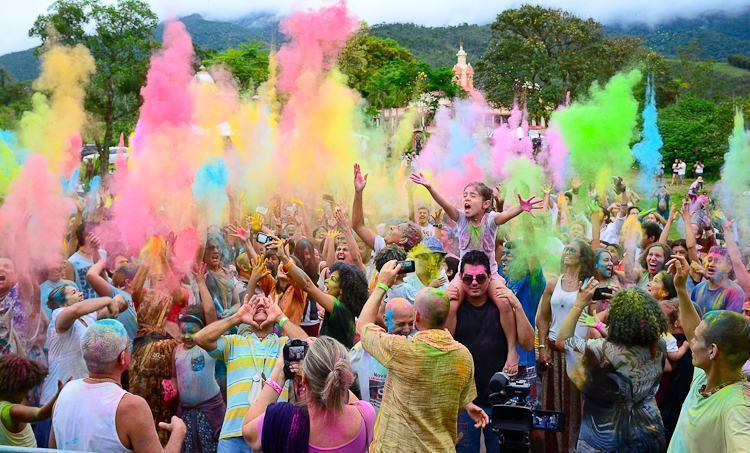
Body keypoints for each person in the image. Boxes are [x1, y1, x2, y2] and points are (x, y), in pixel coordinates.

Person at [410, 173, 542, 374]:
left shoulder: (490, 220)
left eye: (472, 195)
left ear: (486, 204)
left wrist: (520, 208)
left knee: (505, 303)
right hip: (464, 276)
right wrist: (430, 187)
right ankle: (447, 349)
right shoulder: (461, 218)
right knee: (451, 303)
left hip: (490, 275)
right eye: (465, 195)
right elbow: (445, 205)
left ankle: (512, 350)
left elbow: (504, 216)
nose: (466, 199)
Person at [356, 260, 488, 452]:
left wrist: (382, 284)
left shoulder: (402, 350)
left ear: (416, 317)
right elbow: (449, 392)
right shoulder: (463, 356)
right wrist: (468, 405)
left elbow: (363, 325)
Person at [558, 282, 668, 451]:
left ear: (615, 318)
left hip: (604, 440)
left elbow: (563, 341)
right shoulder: (658, 345)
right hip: (648, 435)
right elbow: (629, 344)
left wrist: (579, 304)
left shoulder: (598, 351)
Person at [50, 319, 187, 452]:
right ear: (123, 358)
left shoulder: (64, 394)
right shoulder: (131, 407)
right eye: (129, 347)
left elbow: (51, 450)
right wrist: (178, 432)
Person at [193, 293, 307, 453]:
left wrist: (281, 317)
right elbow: (200, 338)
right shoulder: (234, 341)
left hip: (270, 432)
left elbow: (308, 346)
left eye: (265, 303)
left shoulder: (283, 344)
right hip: (233, 434)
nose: (260, 304)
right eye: (255, 303)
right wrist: (237, 317)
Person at [449, 251, 534, 453]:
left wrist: (517, 306)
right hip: (465, 401)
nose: (474, 283)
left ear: (490, 277)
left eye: (480, 277)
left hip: (499, 400)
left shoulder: (501, 306)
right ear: (461, 279)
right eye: (468, 278)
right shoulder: (454, 307)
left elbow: (529, 344)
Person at [668, 254, 750, 452]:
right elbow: (693, 328)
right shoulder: (705, 375)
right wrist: (680, 289)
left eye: (695, 339)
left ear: (713, 351)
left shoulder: (737, 405)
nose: (691, 341)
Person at [242, 336, 376, 452]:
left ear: (304, 379)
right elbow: (343, 391)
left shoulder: (283, 418)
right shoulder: (366, 415)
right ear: (345, 375)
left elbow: (249, 433)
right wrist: (326, 356)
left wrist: (280, 371)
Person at [37, 284, 127, 447]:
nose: (80, 293)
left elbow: (115, 307)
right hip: (54, 399)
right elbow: (77, 310)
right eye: (73, 292)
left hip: (77, 398)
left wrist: (118, 300)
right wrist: (108, 299)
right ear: (62, 302)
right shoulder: (59, 315)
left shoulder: (87, 317)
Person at [537, 239, 595, 452]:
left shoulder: (590, 284)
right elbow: (543, 318)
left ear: (582, 257)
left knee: (575, 408)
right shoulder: (553, 283)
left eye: (573, 250)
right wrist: (542, 348)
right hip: (552, 352)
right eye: (566, 249)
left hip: (577, 354)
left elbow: (594, 320)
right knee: (551, 407)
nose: (567, 252)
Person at [280, 239, 368, 349]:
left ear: (342, 289)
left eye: (333, 279)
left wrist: (284, 259)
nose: (326, 281)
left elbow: (307, 285)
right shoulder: (342, 311)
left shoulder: (340, 308)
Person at [165, 306, 225, 453]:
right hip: (186, 413)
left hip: (211, 412)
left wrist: (200, 283)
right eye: (183, 332)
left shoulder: (207, 348)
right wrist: (171, 386)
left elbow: (210, 313)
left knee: (212, 447)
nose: (186, 336)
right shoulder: (177, 351)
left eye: (192, 332)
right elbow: (174, 376)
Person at [349, 297, 413, 412]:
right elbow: (343, 374)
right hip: (373, 426)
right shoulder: (365, 348)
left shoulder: (416, 348)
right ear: (386, 320)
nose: (407, 329)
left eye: (411, 323)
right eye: (401, 324)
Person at [0, 354, 63, 448]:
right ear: (16, 389)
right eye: (25, 390)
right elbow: (40, 413)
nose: (28, 395)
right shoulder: (11, 411)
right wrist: (59, 394)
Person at [691, 246, 746, 314]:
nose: (711, 264)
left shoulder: (735, 293)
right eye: (709, 260)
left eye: (718, 261)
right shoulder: (698, 288)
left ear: (729, 267)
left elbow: (731, 322)